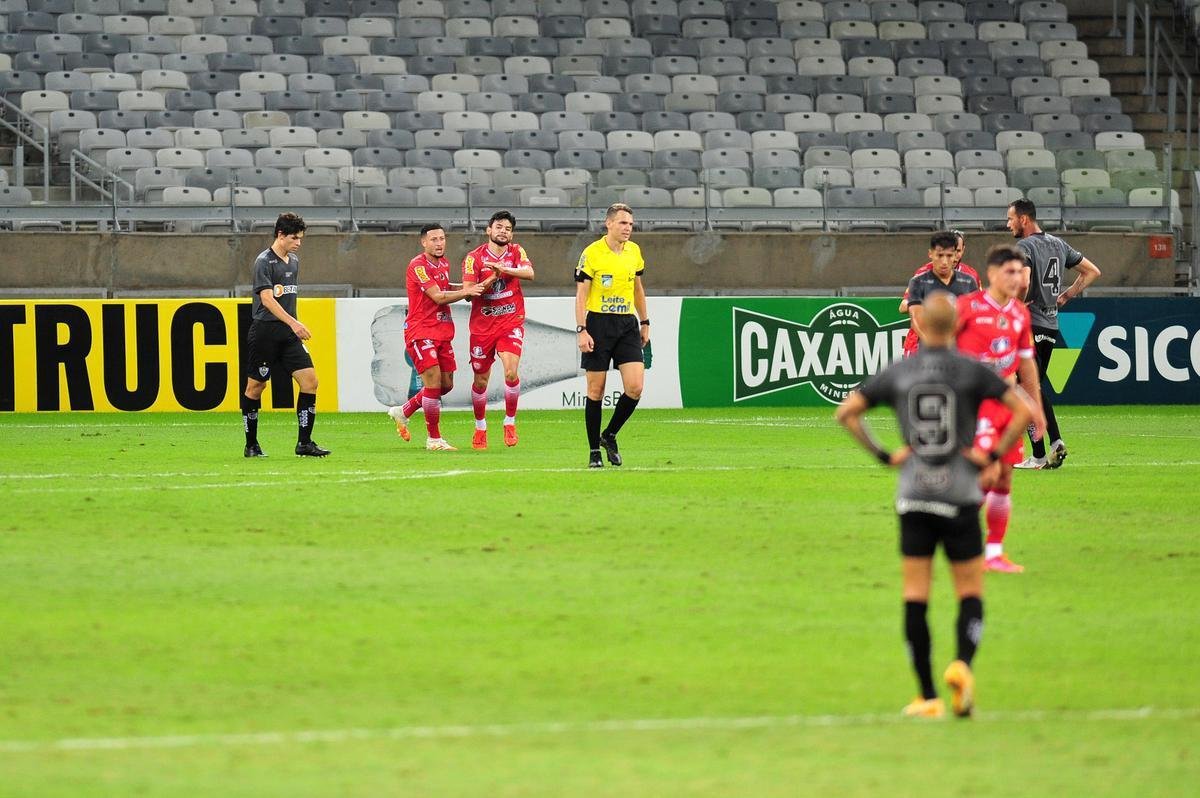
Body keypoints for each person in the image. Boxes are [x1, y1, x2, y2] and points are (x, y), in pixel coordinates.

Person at [836, 292, 1032, 719]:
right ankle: (962, 663)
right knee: (969, 591)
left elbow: (846, 413)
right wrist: (991, 455)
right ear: (959, 325)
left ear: (921, 324)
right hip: (960, 493)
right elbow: (1023, 411)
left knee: (915, 595)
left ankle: (927, 696)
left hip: (914, 495)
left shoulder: (899, 370)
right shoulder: (972, 370)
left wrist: (885, 455)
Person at [956, 245, 1048, 573]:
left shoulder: (1020, 313)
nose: (1017, 278)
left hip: (1006, 406)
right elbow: (941, 350)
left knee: (1005, 478)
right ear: (992, 273)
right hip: (974, 404)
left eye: (1020, 272)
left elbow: (1026, 364)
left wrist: (1035, 407)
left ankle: (993, 552)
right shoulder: (967, 307)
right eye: (1010, 271)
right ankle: (962, 536)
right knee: (988, 472)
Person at [1006, 199, 1102, 469]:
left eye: (1010, 218)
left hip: (1030, 324)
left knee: (1026, 387)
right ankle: (1046, 449)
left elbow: (1023, 281)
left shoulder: (1024, 247)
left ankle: (1047, 448)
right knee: (1031, 387)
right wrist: (1067, 295)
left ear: (1024, 219)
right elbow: (1092, 271)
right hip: (1050, 325)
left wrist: (1015, 307)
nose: (1008, 224)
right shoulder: (1058, 244)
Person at [386, 223, 488, 451]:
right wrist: (467, 292)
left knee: (446, 385)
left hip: (442, 331)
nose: (439, 243)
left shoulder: (443, 263)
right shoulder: (418, 266)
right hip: (421, 331)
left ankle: (403, 411)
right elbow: (438, 296)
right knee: (433, 384)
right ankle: (434, 440)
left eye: (442, 238)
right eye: (434, 239)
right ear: (424, 242)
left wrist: (470, 286)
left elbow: (445, 286)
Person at [241, 212, 330, 458]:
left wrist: (291, 325)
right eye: (294, 238)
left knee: (310, 382)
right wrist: (294, 323)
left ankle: (304, 443)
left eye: (300, 238)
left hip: (288, 334)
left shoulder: (294, 261)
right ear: (280, 235)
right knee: (256, 387)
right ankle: (251, 445)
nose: (298, 243)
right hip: (265, 332)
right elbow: (267, 300)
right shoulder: (264, 261)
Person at [575, 202, 649, 468]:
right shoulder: (592, 253)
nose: (628, 228)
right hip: (598, 324)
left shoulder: (634, 251)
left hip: (627, 324)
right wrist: (582, 329)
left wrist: (645, 322)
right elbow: (581, 295)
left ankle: (609, 435)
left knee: (635, 387)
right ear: (608, 224)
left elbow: (638, 288)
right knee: (596, 390)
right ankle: (594, 451)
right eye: (622, 223)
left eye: (630, 224)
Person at [461, 210, 535, 450]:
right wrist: (491, 279)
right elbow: (468, 293)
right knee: (481, 380)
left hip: (510, 321)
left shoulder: (516, 252)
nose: (503, 232)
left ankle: (509, 422)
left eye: (508, 229)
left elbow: (529, 273)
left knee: (511, 372)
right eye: (499, 227)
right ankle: (480, 426)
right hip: (482, 327)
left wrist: (503, 270)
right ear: (489, 230)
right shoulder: (473, 258)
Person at [899, 230, 979, 358]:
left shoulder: (969, 280)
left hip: (958, 349)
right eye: (940, 255)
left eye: (949, 255)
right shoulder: (919, 279)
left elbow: (975, 317)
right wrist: (936, 345)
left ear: (956, 254)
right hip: (922, 347)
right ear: (930, 254)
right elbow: (910, 313)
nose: (944, 261)